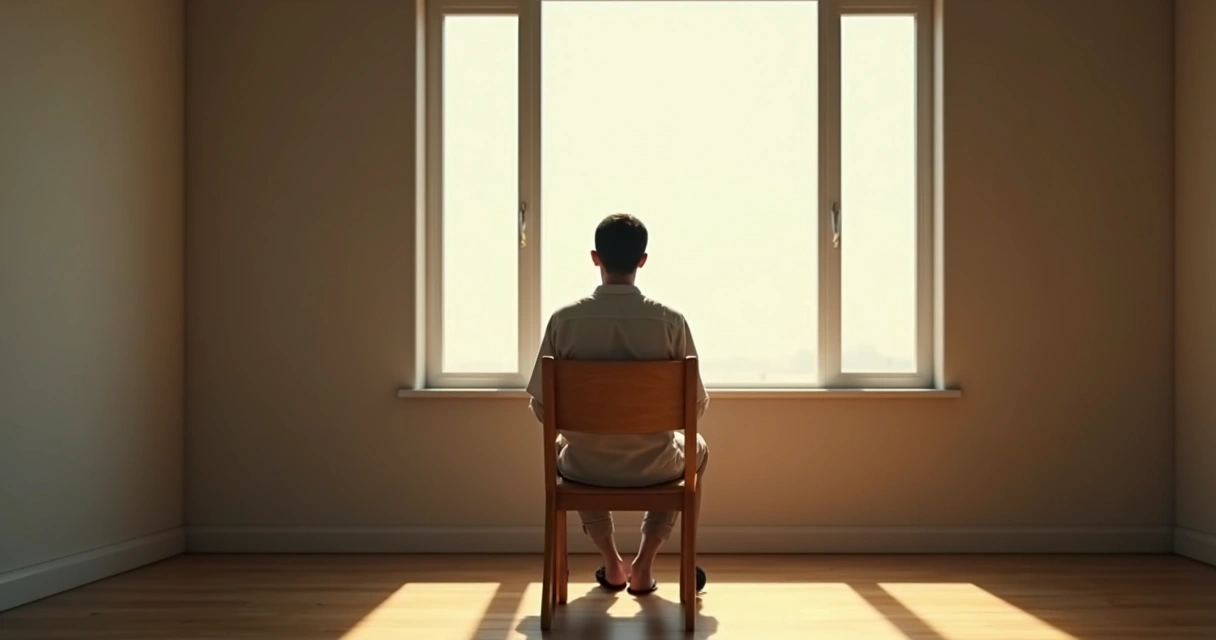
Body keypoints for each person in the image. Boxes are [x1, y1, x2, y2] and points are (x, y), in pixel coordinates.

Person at [525, 213, 709, 596]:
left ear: (596, 258)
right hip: (656, 467)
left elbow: (543, 409)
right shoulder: (671, 322)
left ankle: (612, 562)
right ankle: (644, 565)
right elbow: (694, 409)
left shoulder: (564, 322)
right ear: (643, 259)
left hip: (585, 468)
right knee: (698, 449)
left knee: (567, 449)